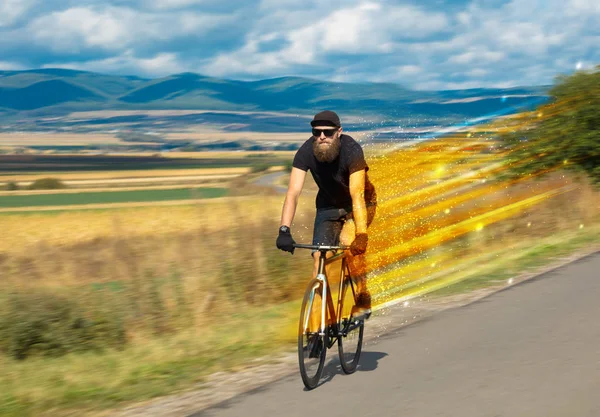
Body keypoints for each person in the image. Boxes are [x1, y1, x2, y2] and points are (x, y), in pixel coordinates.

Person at [276, 110, 376, 317]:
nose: (322, 136)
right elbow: (293, 193)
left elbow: (357, 195)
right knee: (319, 257)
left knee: (349, 243)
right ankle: (317, 322)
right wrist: (284, 230)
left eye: (328, 132)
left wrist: (362, 235)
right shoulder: (306, 152)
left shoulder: (352, 150)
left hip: (359, 204)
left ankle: (362, 296)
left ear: (339, 132)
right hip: (328, 206)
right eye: (317, 131)